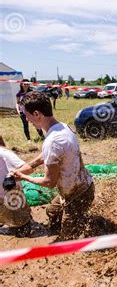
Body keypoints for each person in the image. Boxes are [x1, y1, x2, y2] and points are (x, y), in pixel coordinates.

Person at [12, 92, 95, 240]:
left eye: (26, 114)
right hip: (79, 186)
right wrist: (26, 167)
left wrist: (24, 177)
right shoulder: (62, 127)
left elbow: (49, 183)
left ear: (37, 114)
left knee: (67, 242)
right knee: (52, 211)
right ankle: (61, 227)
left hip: (78, 196)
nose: (26, 118)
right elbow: (45, 157)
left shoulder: (52, 142)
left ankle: (79, 230)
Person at [0, 136, 34, 237]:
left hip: (11, 197)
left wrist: (10, 177)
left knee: (22, 231)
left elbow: (28, 168)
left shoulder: (4, 153)